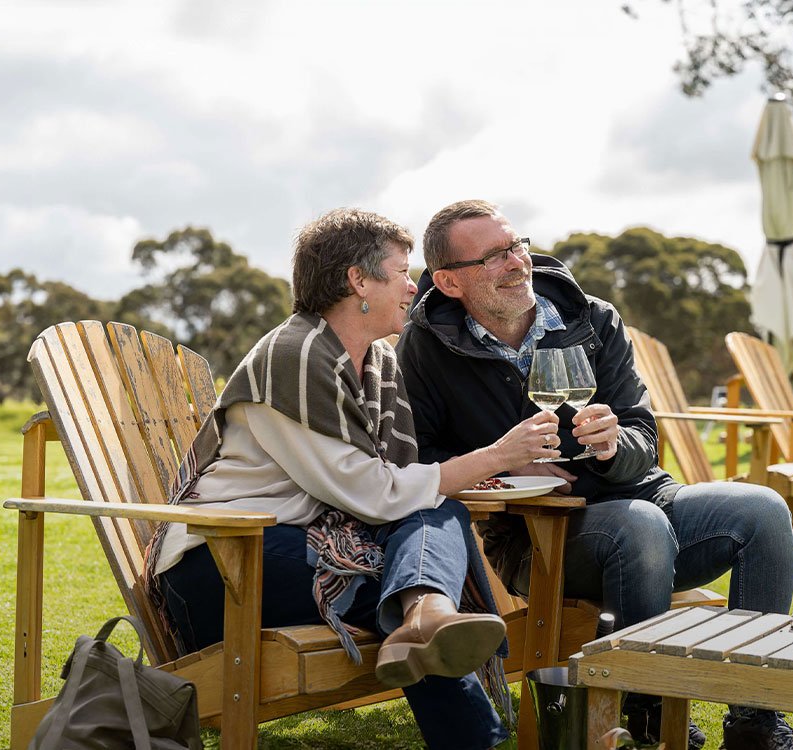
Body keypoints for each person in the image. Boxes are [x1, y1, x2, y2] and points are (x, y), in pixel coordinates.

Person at [147, 207, 563, 750]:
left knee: (436, 522)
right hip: (227, 563)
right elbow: (373, 492)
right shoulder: (292, 359)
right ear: (358, 281)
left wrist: (461, 479)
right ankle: (433, 624)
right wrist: (494, 458)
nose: (413, 288)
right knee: (411, 578)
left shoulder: (378, 364)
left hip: (316, 546)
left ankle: (426, 618)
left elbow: (401, 482)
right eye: (402, 273)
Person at [397, 199, 793, 750]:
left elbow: (642, 434)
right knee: (640, 527)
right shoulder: (425, 348)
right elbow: (421, 458)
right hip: (537, 537)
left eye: (518, 245)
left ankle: (754, 720)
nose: (517, 262)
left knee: (763, 510)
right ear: (448, 281)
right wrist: (500, 461)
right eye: (492, 256)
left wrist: (614, 447)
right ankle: (642, 718)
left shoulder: (594, 320)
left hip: (643, 497)